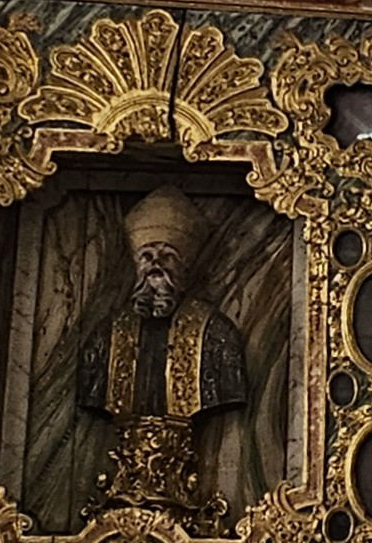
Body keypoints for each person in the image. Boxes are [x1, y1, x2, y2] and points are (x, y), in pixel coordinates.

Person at [79, 184, 249, 525]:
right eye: (146, 256)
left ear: (184, 266)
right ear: (135, 264)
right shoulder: (104, 336)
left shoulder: (217, 334)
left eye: (167, 255)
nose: (156, 265)